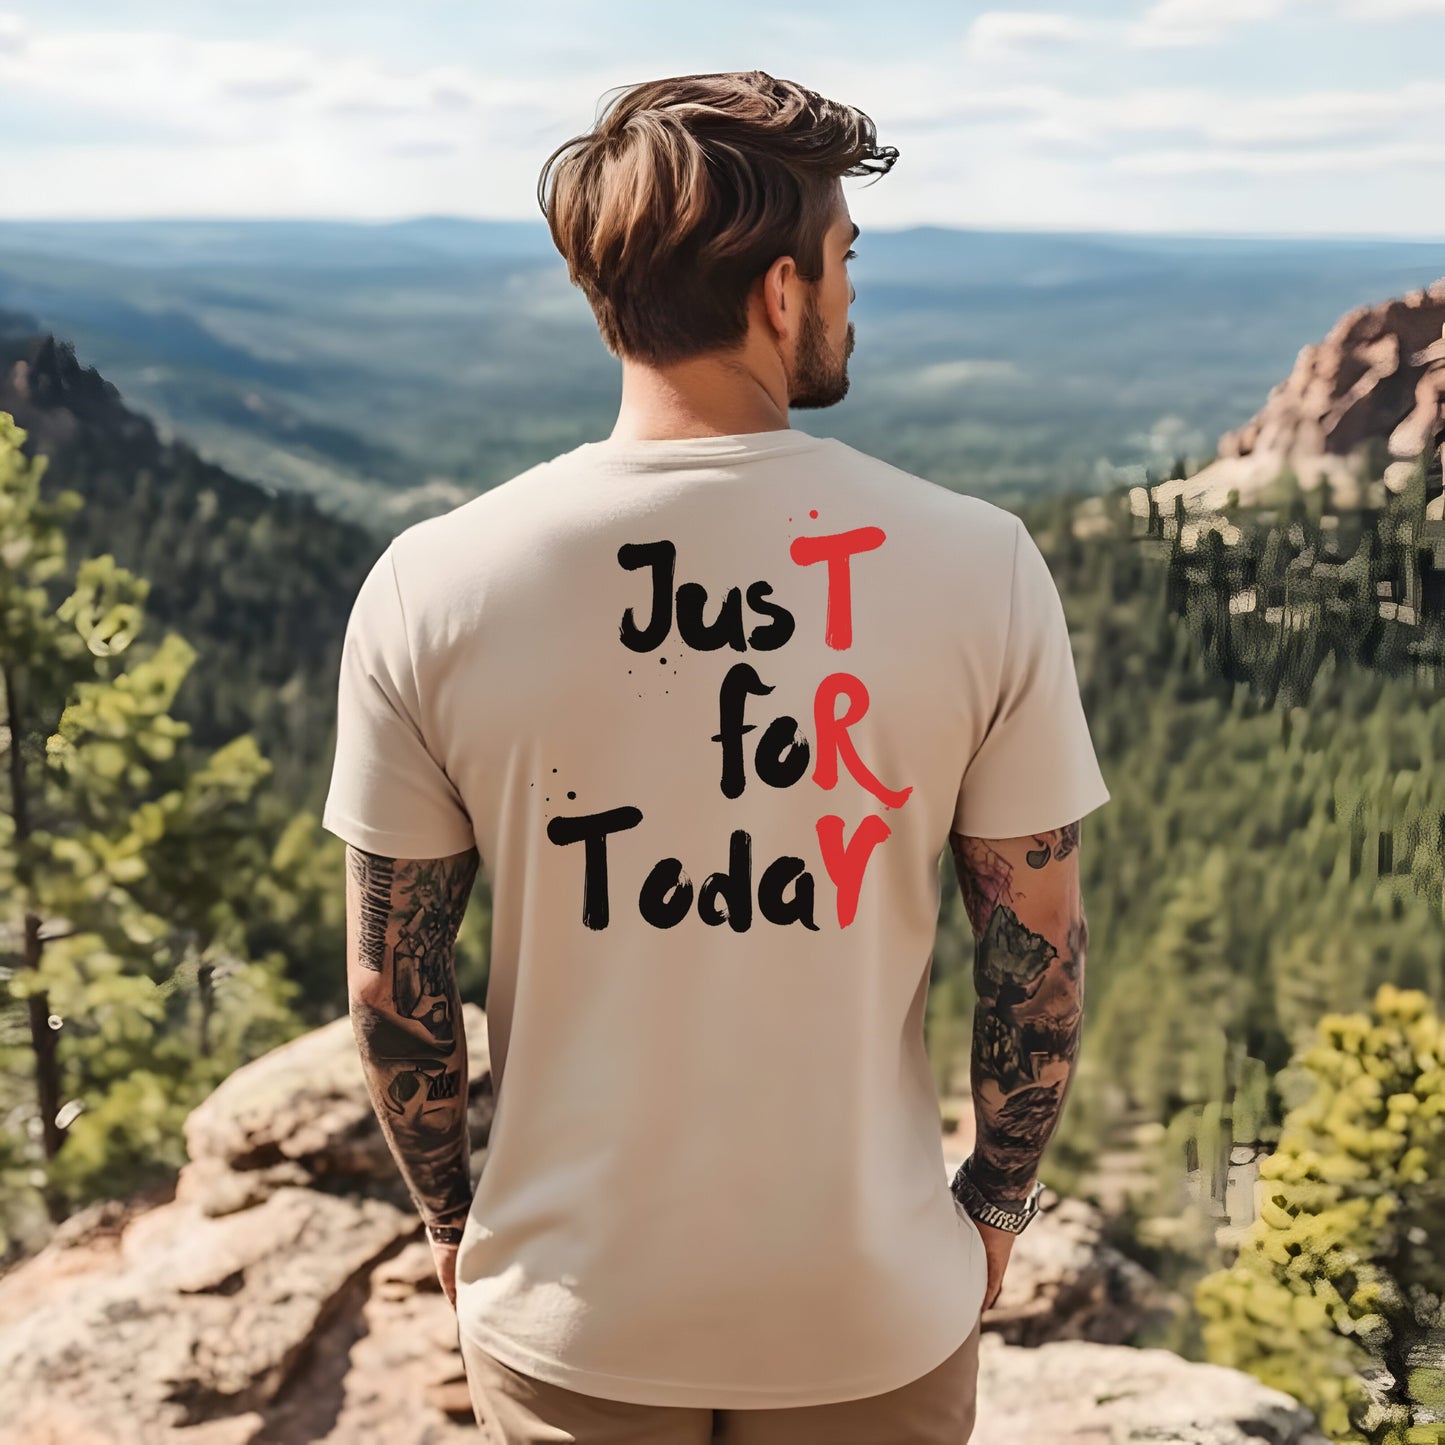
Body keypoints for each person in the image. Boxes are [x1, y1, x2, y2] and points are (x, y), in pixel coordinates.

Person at [323, 69, 1109, 1445]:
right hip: (863, 1310)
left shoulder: (429, 583)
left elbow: (396, 976)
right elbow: (1033, 940)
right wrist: (992, 1204)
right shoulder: (979, 566)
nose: (850, 291)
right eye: (844, 255)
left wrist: (454, 1221)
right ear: (781, 291)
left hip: (574, 1307)